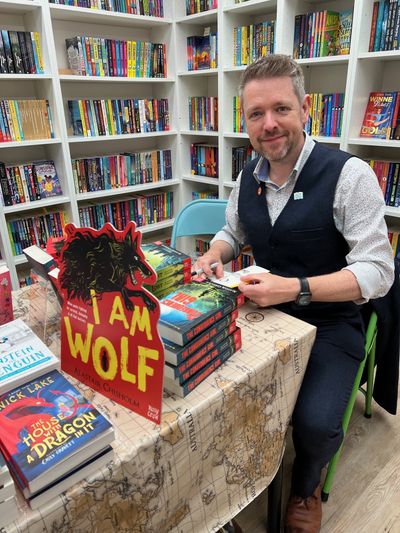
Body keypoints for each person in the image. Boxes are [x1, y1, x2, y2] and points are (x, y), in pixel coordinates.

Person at [194, 54, 394, 533]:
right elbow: (231, 232)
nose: (269, 125)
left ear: (306, 109)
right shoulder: (248, 176)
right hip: (258, 311)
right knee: (204, 390)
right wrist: (214, 255)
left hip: (330, 320)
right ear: (245, 121)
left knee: (315, 423)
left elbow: (378, 271)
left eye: (281, 109)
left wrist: (298, 288)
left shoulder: (350, 175)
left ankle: (304, 489)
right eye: (256, 114)